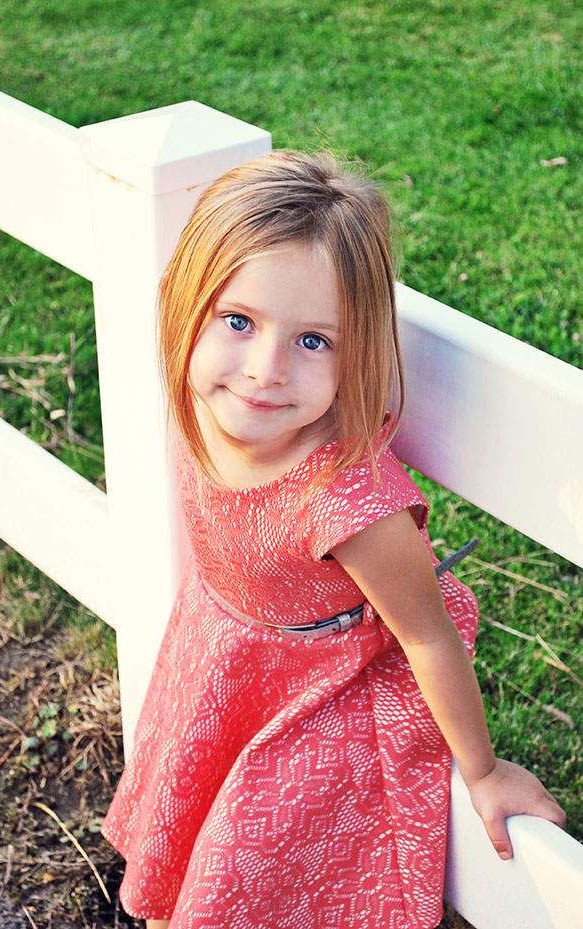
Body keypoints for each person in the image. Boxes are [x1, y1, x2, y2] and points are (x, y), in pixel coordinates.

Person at [101, 150, 566, 929]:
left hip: (323, 686)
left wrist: (483, 772)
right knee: (190, 820)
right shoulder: (204, 405)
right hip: (225, 658)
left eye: (313, 340)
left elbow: (428, 635)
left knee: (248, 857)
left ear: (357, 352)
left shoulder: (348, 500)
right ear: (188, 306)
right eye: (239, 321)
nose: (264, 370)